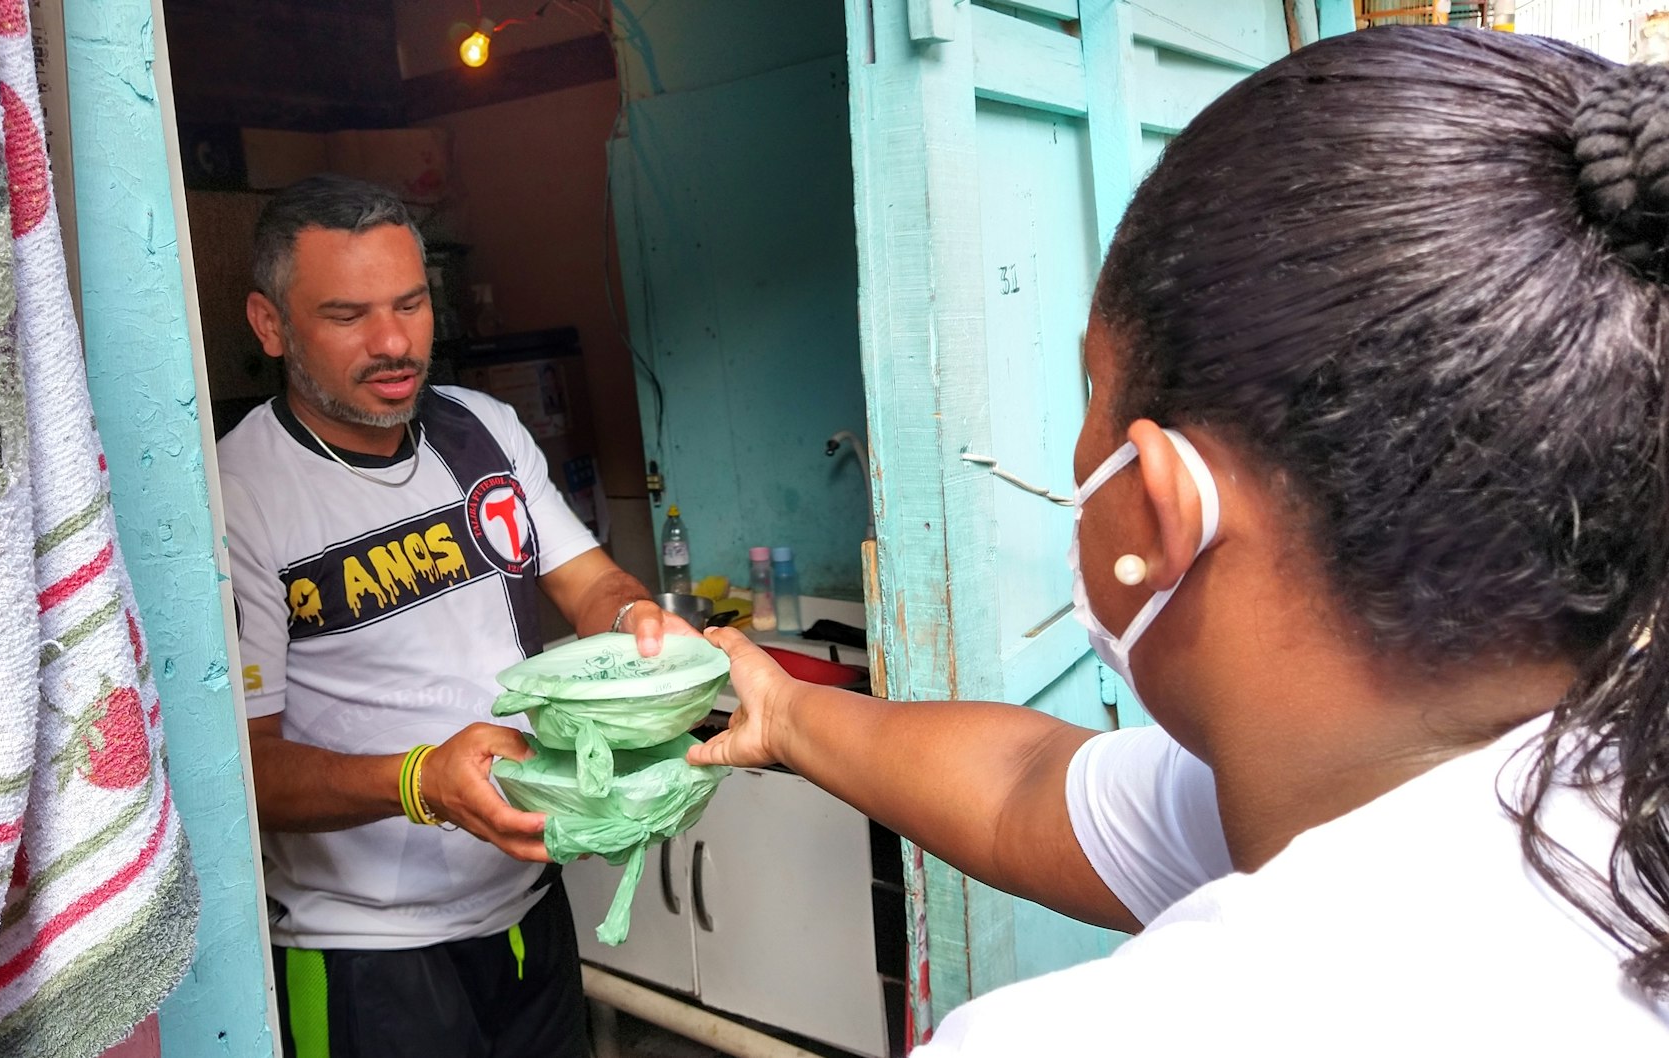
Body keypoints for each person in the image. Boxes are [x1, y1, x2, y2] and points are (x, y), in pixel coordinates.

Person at [690, 28, 1669, 1050]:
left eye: (1092, 389)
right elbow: (1023, 784)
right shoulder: (1550, 775)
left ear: (1163, 508)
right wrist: (785, 712)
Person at [218, 174, 689, 1058]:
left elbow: (592, 588)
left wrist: (640, 623)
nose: (395, 343)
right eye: (348, 315)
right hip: (365, 954)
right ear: (270, 324)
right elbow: (245, 769)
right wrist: (419, 781)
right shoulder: (236, 497)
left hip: (528, 904)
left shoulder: (483, 430)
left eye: (411, 304)